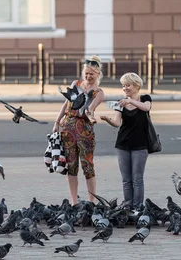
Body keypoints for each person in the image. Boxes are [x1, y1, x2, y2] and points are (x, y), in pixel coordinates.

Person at [53, 56, 105, 204]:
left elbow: (90, 109)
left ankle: (91, 202)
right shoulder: (76, 84)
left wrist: (91, 116)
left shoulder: (99, 93)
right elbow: (66, 104)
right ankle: (74, 202)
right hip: (68, 129)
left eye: (92, 74)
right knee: (71, 166)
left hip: (85, 130)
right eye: (86, 73)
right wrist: (57, 121)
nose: (88, 76)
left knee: (88, 166)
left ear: (98, 74)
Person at [100, 72, 152, 210]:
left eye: (128, 85)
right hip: (123, 144)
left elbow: (146, 108)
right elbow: (117, 123)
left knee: (137, 179)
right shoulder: (121, 103)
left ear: (136, 86)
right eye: (123, 86)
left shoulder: (144, 98)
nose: (125, 88)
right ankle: (128, 205)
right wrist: (107, 120)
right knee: (126, 180)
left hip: (140, 145)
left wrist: (130, 101)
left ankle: (138, 207)